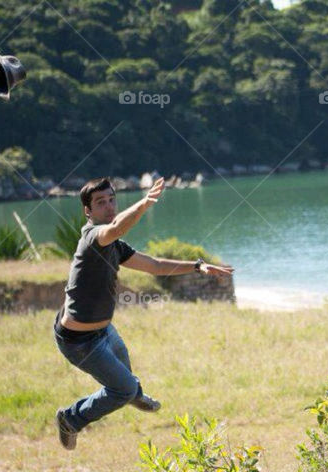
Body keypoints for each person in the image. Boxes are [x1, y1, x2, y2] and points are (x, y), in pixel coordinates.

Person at [53, 176, 234, 450]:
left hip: (103, 330)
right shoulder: (92, 237)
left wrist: (198, 266)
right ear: (88, 211)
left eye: (111, 199)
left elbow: (155, 265)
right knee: (122, 389)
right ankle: (71, 418)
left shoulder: (115, 246)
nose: (109, 206)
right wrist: (146, 202)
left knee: (125, 374)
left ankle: (134, 394)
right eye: (101, 203)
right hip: (79, 342)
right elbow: (115, 227)